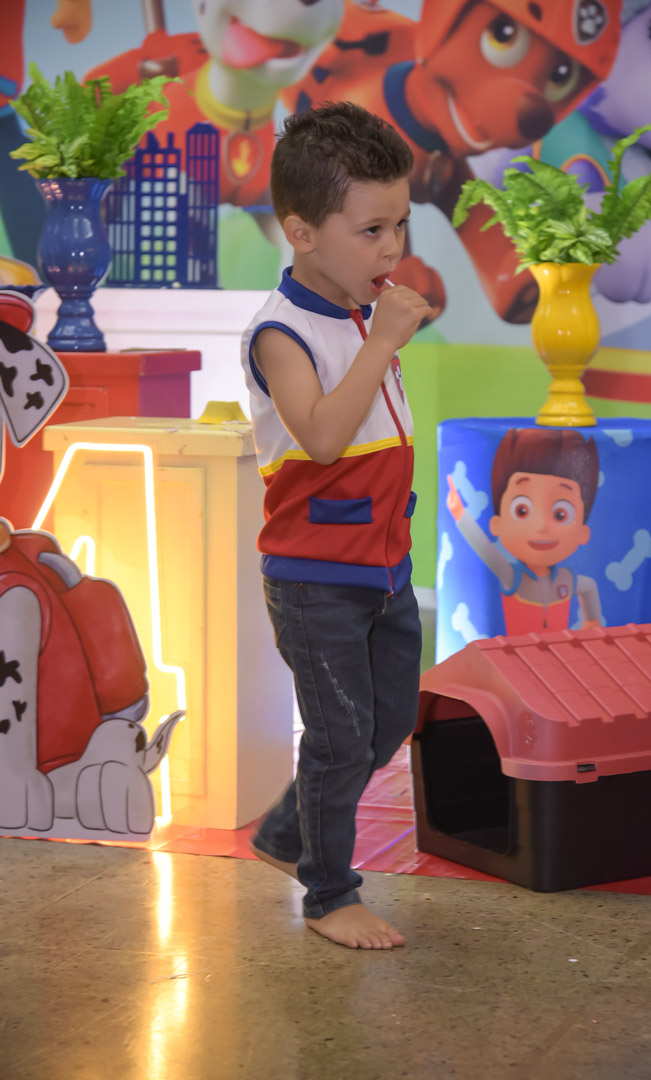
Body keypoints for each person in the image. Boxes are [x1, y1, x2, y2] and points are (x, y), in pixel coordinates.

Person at [240, 101, 432, 950]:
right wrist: (381, 344)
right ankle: (328, 894)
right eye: (370, 230)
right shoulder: (280, 332)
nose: (391, 249)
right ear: (302, 233)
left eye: (399, 225)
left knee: (385, 724)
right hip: (315, 575)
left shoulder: (359, 310)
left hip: (384, 564)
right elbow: (320, 438)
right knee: (338, 736)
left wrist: (376, 334)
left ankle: (289, 832)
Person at [447, 427, 602, 633]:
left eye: (560, 514)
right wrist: (459, 513)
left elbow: (589, 587)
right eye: (522, 510)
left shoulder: (566, 579)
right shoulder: (515, 579)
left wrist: (591, 625)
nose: (542, 527)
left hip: (558, 651)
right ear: (497, 524)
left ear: (583, 532)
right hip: (519, 652)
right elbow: (486, 550)